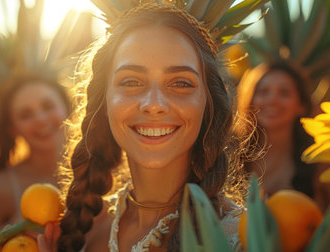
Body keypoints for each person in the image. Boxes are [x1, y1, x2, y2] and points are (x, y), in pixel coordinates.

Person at [33, 3, 251, 251]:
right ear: (104, 101)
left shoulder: (243, 238)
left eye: (180, 83)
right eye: (132, 81)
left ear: (208, 104)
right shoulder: (79, 229)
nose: (154, 105)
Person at [0, 75, 70, 251]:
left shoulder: (104, 173)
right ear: (12, 129)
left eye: (48, 106)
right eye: (26, 115)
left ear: (67, 108)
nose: (40, 118)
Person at [237, 62, 317, 198]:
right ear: (250, 100)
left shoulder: (317, 162)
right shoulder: (228, 157)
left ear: (301, 105)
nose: (272, 100)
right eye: (263, 92)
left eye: (284, 93)